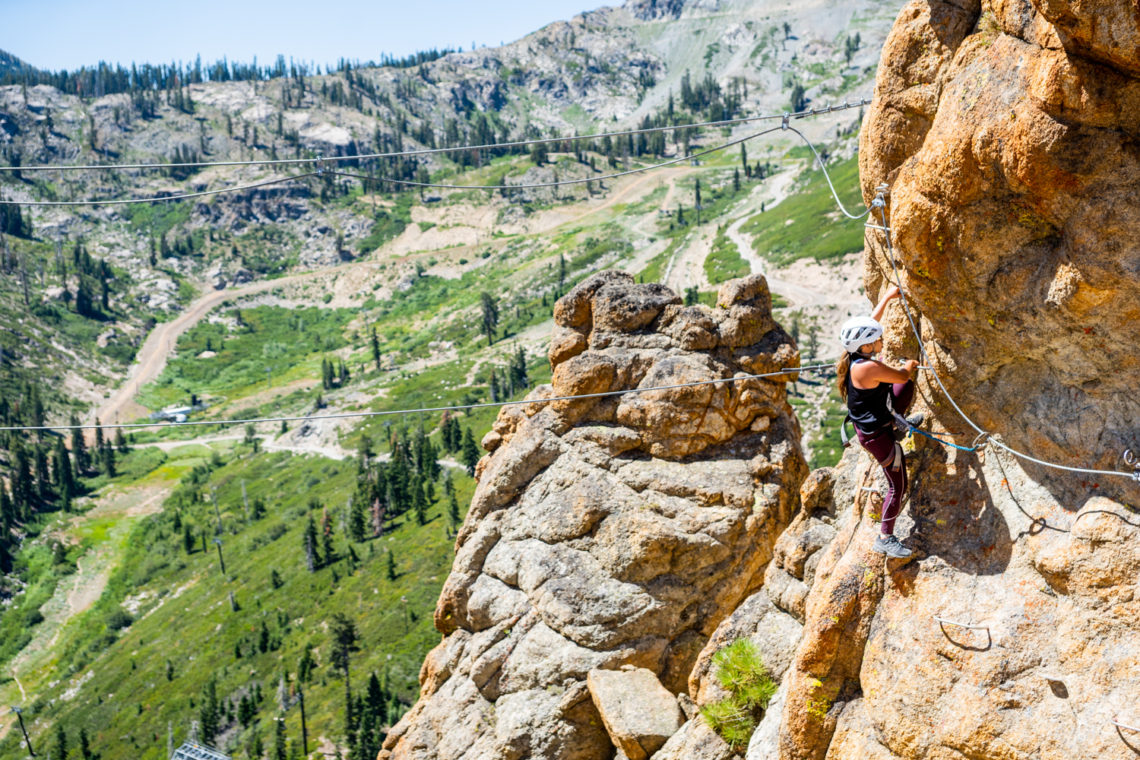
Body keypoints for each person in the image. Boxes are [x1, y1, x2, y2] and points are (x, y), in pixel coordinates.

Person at [836, 285, 923, 558]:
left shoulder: (855, 358)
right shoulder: (869, 367)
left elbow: (871, 324)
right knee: (898, 486)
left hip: (876, 424)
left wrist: (887, 297)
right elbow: (901, 376)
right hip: (876, 437)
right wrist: (909, 365)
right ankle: (885, 537)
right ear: (865, 346)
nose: (881, 340)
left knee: (903, 392)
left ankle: (898, 423)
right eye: (877, 339)